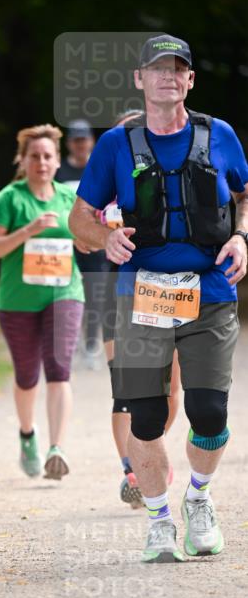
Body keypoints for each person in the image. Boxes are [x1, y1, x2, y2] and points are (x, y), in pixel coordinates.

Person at [70, 34, 248, 562]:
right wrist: (104, 237)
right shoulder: (115, 145)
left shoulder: (219, 135)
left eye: (177, 68)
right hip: (140, 295)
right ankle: (159, 521)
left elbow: (245, 195)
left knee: (209, 412)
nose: (167, 76)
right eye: (157, 68)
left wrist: (242, 236)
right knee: (145, 417)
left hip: (210, 291)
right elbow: (79, 218)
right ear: (139, 79)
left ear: (190, 79)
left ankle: (198, 497)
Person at [0, 123, 86, 481]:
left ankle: (57, 449)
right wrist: (28, 231)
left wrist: (95, 236)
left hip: (64, 293)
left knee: (59, 368)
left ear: (58, 161)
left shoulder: (69, 198)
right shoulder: (8, 199)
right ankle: (28, 435)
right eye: (35, 156)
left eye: (48, 156)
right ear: (23, 161)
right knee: (27, 376)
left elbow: (87, 239)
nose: (42, 163)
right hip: (18, 299)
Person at [100, 111, 181, 510]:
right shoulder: (102, 185)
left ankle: (151, 448)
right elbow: (80, 235)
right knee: (125, 390)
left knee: (171, 388)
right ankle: (132, 469)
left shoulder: (172, 179)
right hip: (115, 294)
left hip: (168, 291)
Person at [57, 120, 107, 367]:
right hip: (66, 244)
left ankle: (90, 345)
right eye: (75, 140)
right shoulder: (59, 171)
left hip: (94, 244)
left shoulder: (99, 170)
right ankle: (69, 342)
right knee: (66, 294)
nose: (80, 145)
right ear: (69, 144)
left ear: (91, 142)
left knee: (95, 295)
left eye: (83, 140)